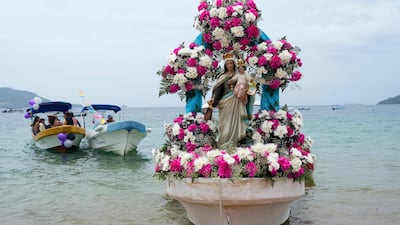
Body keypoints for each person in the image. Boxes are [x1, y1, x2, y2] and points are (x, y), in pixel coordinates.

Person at [207, 52, 251, 148]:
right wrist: (213, 99)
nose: (230, 65)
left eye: (231, 63)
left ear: (234, 64)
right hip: (226, 103)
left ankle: (237, 144)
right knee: (225, 125)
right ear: (225, 65)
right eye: (228, 64)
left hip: (237, 101)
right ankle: (224, 144)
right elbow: (218, 90)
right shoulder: (222, 77)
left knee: (239, 123)